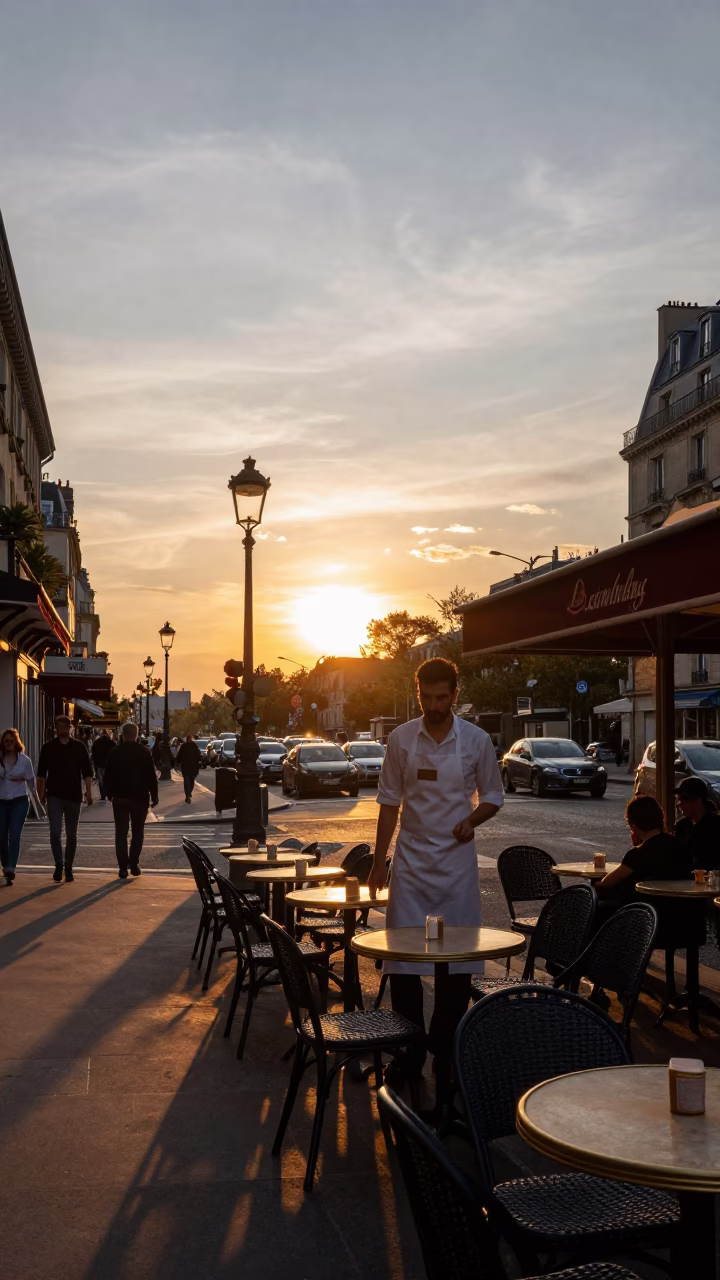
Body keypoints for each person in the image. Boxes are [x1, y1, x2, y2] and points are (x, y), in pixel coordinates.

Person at [368, 657, 503, 1105]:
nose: (435, 705)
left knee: (459, 963)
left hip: (457, 866)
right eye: (427, 697)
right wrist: (378, 861)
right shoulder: (401, 739)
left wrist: (472, 820)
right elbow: (389, 801)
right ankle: (410, 1051)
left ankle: (444, 1051)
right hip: (410, 863)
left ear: (455, 695)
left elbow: (494, 797)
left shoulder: (478, 741)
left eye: (443, 698)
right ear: (418, 692)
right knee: (402, 961)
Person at [597, 794, 691, 907]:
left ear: (633, 826)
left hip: (637, 911)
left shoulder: (637, 854)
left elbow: (606, 884)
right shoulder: (679, 845)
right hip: (676, 907)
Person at [37, 715, 93, 882]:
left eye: (65, 726)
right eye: (59, 726)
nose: (62, 729)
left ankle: (68, 866)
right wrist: (41, 794)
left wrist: (88, 792)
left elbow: (87, 772)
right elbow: (41, 773)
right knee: (55, 833)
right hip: (54, 795)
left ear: (70, 728)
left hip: (74, 796)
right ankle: (58, 863)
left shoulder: (79, 747)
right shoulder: (48, 747)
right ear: (56, 728)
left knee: (71, 835)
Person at [103, 722, 159, 878]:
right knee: (138, 831)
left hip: (120, 798)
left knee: (121, 833)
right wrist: (154, 795)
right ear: (136, 734)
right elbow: (151, 776)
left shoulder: (115, 752)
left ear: (123, 734)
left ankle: (122, 867)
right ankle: (134, 863)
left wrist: (109, 793)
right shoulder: (144, 752)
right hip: (140, 797)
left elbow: (108, 775)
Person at [0, 728, 35, 884]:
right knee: (1, 836)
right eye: (6, 741)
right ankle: (5, 863)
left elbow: (32, 781)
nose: (8, 744)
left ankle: (11, 867)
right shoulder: (0, 759)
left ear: (16, 742)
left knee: (14, 835)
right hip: (1, 801)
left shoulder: (24, 761)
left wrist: (39, 796)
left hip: (19, 801)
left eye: (11, 741)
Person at [673, 777, 720, 871]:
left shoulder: (716, 826)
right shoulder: (681, 826)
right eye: (679, 800)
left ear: (698, 800)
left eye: (683, 800)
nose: (679, 805)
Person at [175, 733, 201, 803]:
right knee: (189, 781)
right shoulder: (193, 746)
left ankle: (188, 794)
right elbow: (199, 757)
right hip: (192, 767)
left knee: (189, 781)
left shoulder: (187, 746)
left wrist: (177, 761)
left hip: (188, 767)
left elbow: (179, 756)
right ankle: (188, 795)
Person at [91, 730, 115, 801]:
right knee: (109, 779)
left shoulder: (96, 742)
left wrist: (95, 763)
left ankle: (103, 794)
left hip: (99, 764)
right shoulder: (112, 743)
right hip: (109, 764)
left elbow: (93, 754)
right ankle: (109, 794)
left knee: (101, 780)